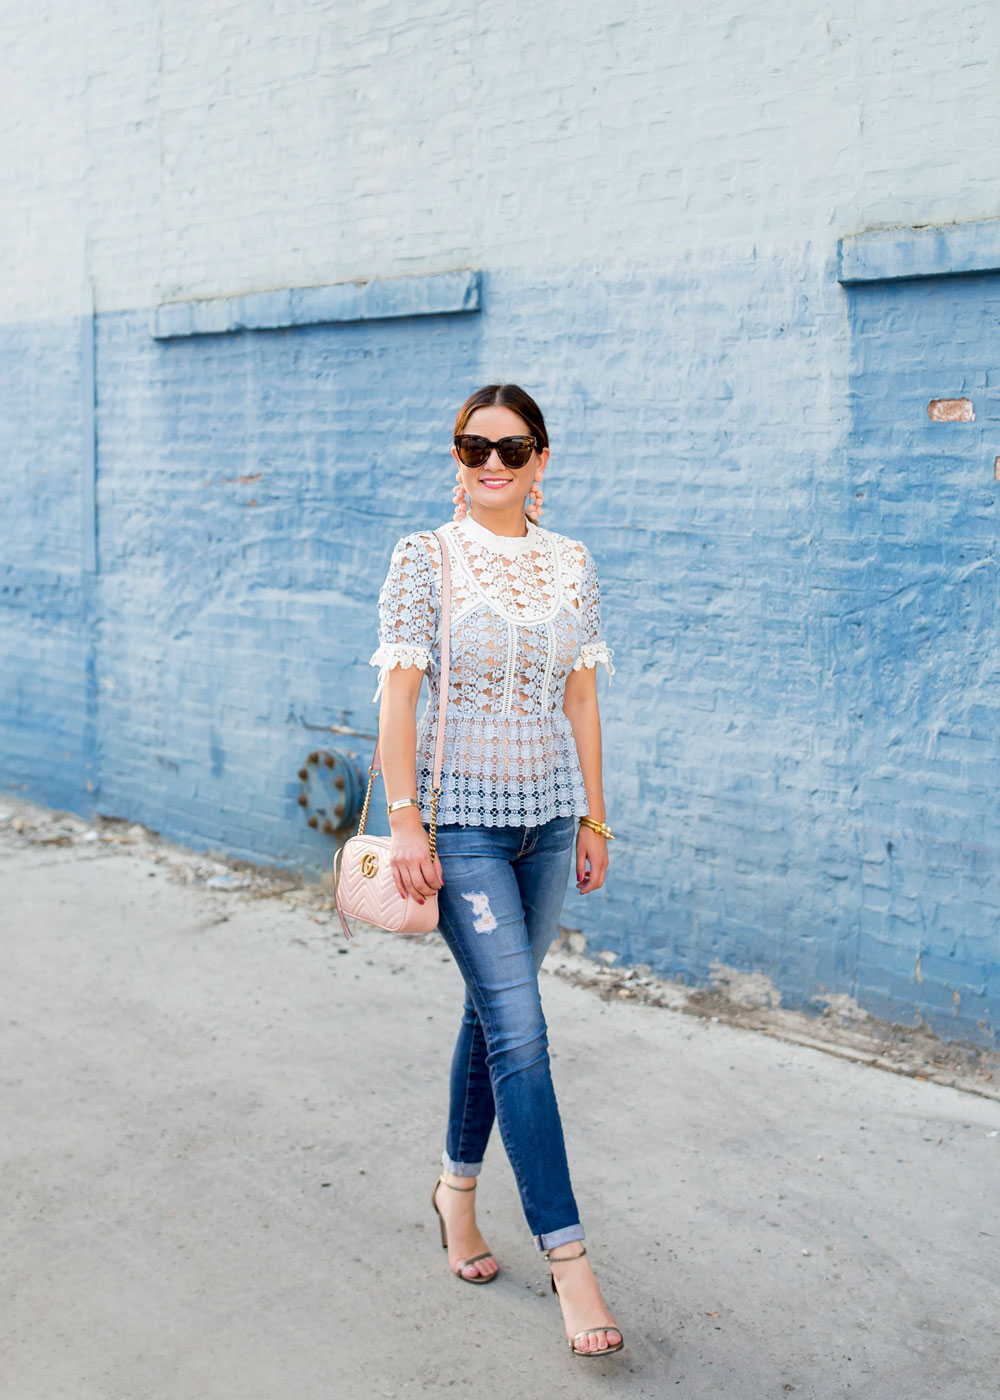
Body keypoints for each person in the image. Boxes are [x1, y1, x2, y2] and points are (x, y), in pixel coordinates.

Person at [368, 383, 623, 1358]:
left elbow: (583, 697)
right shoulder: (423, 557)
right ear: (456, 454)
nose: (491, 463)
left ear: (541, 460)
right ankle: (570, 1261)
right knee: (523, 1031)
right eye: (474, 446)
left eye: (512, 449)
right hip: (463, 830)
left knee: (493, 1013)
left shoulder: (571, 564)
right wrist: (406, 823)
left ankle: (455, 1193)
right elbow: (398, 694)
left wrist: (594, 812)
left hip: (550, 824)